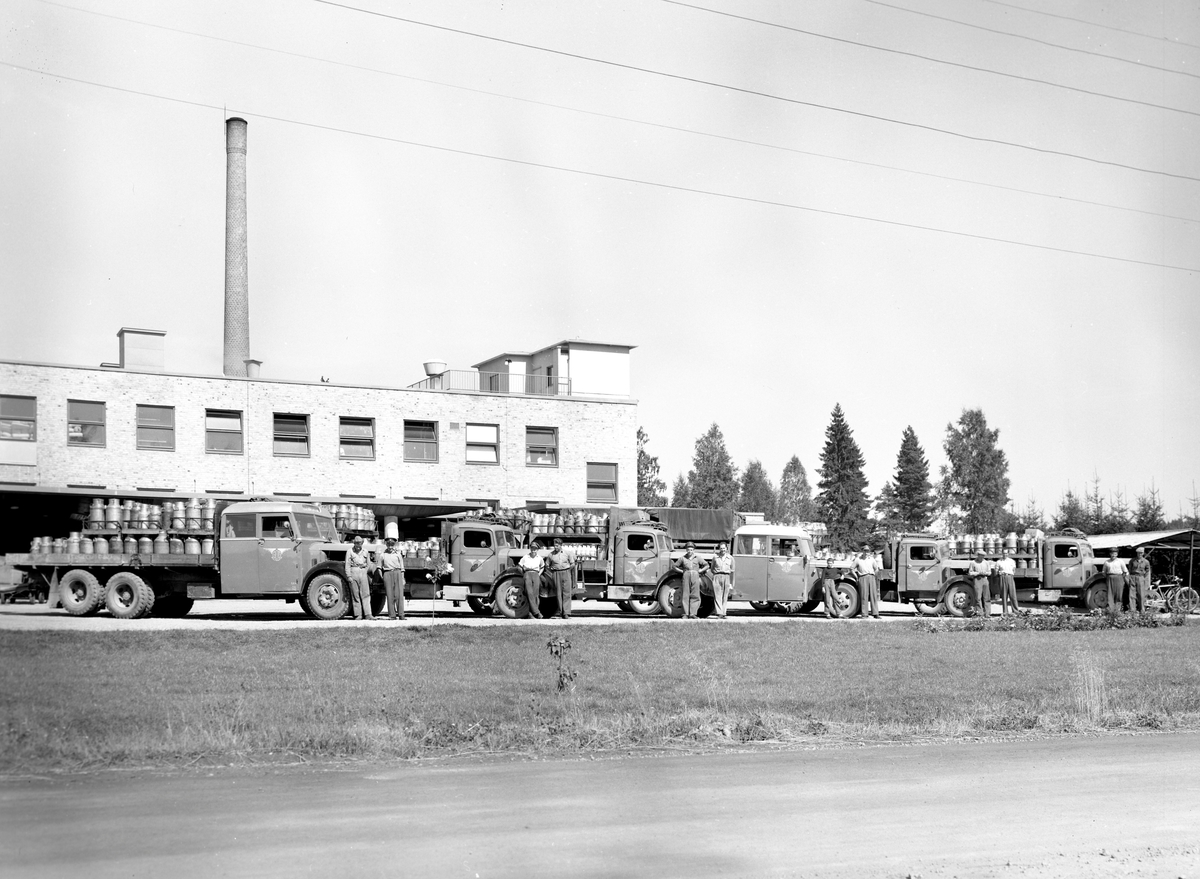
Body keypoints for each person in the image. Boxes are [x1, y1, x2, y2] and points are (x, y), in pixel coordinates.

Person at [673, 542, 710, 619]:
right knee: (685, 594)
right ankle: (685, 614)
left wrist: (700, 571)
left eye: (691, 549)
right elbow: (674, 566)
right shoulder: (682, 558)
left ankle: (693, 614)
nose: (690, 551)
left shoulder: (698, 558)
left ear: (694, 550)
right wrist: (682, 571)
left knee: (695, 594)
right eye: (688, 550)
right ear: (686, 550)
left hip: (695, 576)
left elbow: (707, 565)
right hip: (686, 575)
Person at [344, 536, 376, 621]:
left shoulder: (365, 551)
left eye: (359, 543)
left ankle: (368, 614)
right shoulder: (349, 551)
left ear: (362, 543)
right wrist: (349, 576)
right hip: (354, 571)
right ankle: (358, 615)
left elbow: (369, 563)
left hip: (363, 572)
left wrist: (365, 571)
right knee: (355, 595)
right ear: (354, 543)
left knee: (366, 594)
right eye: (356, 543)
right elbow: (347, 564)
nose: (358, 545)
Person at [379, 537, 406, 620]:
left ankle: (401, 614)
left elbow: (402, 568)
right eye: (388, 545)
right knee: (390, 595)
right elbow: (379, 568)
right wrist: (383, 577)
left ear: (394, 545)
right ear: (386, 545)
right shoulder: (382, 555)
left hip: (397, 573)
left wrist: (403, 578)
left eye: (392, 545)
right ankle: (392, 615)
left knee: (399, 595)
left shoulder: (398, 554)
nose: (390, 547)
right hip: (387, 574)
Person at [547, 538, 575, 619]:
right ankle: (560, 612)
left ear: (561, 545)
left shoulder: (567, 553)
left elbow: (572, 564)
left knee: (567, 592)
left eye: (557, 546)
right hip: (556, 573)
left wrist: (567, 570)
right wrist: (552, 571)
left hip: (566, 572)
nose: (555, 547)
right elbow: (547, 565)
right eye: (554, 546)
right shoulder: (551, 555)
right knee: (558, 593)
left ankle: (566, 613)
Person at [852, 545, 880, 619]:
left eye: (868, 551)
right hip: (862, 577)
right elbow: (851, 568)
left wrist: (874, 576)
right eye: (865, 551)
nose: (867, 552)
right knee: (864, 596)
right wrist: (856, 577)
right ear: (862, 551)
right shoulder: (858, 559)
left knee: (873, 595)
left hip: (871, 576)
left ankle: (875, 613)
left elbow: (876, 568)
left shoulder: (872, 559)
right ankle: (864, 614)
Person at [520, 541, 545, 619]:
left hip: (536, 574)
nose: (533, 550)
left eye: (535, 549)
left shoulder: (539, 558)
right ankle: (537, 613)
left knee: (535, 594)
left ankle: (531, 614)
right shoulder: (525, 557)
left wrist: (538, 574)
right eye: (532, 548)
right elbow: (520, 566)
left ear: (537, 550)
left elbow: (542, 567)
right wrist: (524, 574)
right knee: (529, 593)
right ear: (530, 549)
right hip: (527, 573)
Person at [709, 542, 734, 618]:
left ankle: (723, 613)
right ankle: (719, 613)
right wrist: (717, 574)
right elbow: (712, 568)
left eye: (724, 548)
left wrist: (731, 583)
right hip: (717, 576)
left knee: (725, 596)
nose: (722, 550)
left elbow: (732, 570)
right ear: (719, 549)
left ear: (726, 548)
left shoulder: (730, 558)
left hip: (726, 576)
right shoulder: (715, 558)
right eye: (721, 548)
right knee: (717, 595)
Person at [1126, 547, 1151, 613]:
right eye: (1138, 553)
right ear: (1136, 553)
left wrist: (1145, 580)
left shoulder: (1146, 562)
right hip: (1133, 577)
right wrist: (1130, 578)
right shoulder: (1132, 561)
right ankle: (1132, 609)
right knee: (1132, 594)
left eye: (1141, 553)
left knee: (1141, 594)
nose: (1140, 554)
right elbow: (1130, 569)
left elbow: (1147, 571)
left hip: (1141, 577)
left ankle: (1142, 609)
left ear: (1143, 553)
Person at [967, 551, 992, 618]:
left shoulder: (986, 563)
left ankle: (987, 613)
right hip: (977, 579)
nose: (982, 557)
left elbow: (989, 572)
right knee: (978, 597)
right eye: (980, 556)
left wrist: (985, 573)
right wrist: (977, 573)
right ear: (978, 555)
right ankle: (980, 613)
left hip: (985, 579)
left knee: (987, 597)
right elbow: (970, 572)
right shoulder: (973, 562)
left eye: (983, 556)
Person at [996, 549, 1019, 617]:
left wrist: (1010, 575)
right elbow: (996, 570)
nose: (1004, 555)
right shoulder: (999, 562)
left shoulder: (1012, 561)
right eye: (1003, 553)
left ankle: (1015, 611)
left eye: (1006, 553)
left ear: (1008, 554)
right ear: (1002, 554)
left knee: (1013, 595)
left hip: (1010, 577)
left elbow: (1014, 570)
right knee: (1004, 595)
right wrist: (1001, 575)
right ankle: (1005, 612)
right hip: (1002, 577)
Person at [1103, 548, 1127, 613]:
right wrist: (1108, 577)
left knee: (1118, 594)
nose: (1113, 555)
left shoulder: (1120, 561)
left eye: (1115, 553)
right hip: (1110, 578)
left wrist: (1121, 579)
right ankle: (1110, 610)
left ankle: (1117, 610)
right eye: (1112, 553)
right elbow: (1104, 572)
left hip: (1119, 577)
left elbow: (1125, 571)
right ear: (1110, 554)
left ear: (1117, 554)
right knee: (1110, 594)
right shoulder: (1107, 562)